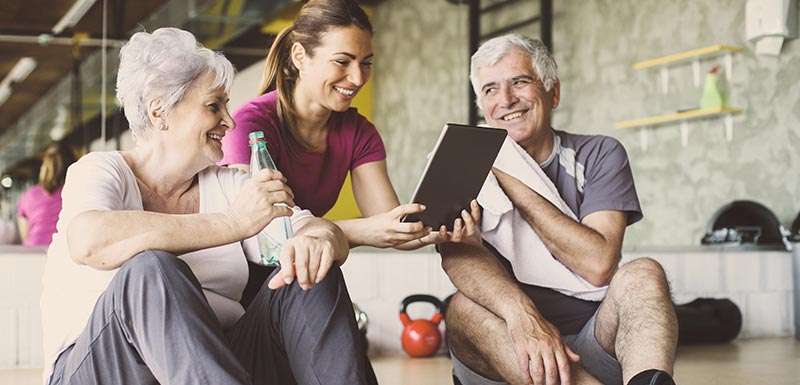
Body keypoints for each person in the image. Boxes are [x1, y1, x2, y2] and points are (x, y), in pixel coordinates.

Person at [40, 27, 370, 385]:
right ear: (159, 112)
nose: (229, 121)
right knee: (150, 268)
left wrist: (318, 239)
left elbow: (310, 227)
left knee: (309, 267)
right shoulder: (100, 169)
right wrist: (231, 222)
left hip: (217, 362)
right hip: (103, 366)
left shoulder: (229, 183)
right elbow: (90, 241)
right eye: (214, 106)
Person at [439, 34, 678, 385]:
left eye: (519, 82)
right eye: (490, 89)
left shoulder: (599, 154)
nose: (505, 100)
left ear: (553, 92)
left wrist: (511, 179)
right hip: (508, 346)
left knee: (645, 274)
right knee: (460, 309)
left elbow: (597, 264)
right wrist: (523, 318)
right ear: (481, 105)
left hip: (592, 340)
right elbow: (457, 258)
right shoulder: (463, 163)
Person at [220, 0, 478, 250]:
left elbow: (391, 226)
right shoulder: (250, 125)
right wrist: (362, 231)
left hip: (305, 265)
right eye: (342, 61)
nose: (357, 78)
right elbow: (261, 231)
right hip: (242, 270)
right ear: (300, 56)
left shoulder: (358, 132)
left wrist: (433, 230)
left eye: (365, 63)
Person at [16, 142, 76, 246]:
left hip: (32, 252)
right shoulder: (75, 192)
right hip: (64, 251)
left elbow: (25, 236)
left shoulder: (29, 195)